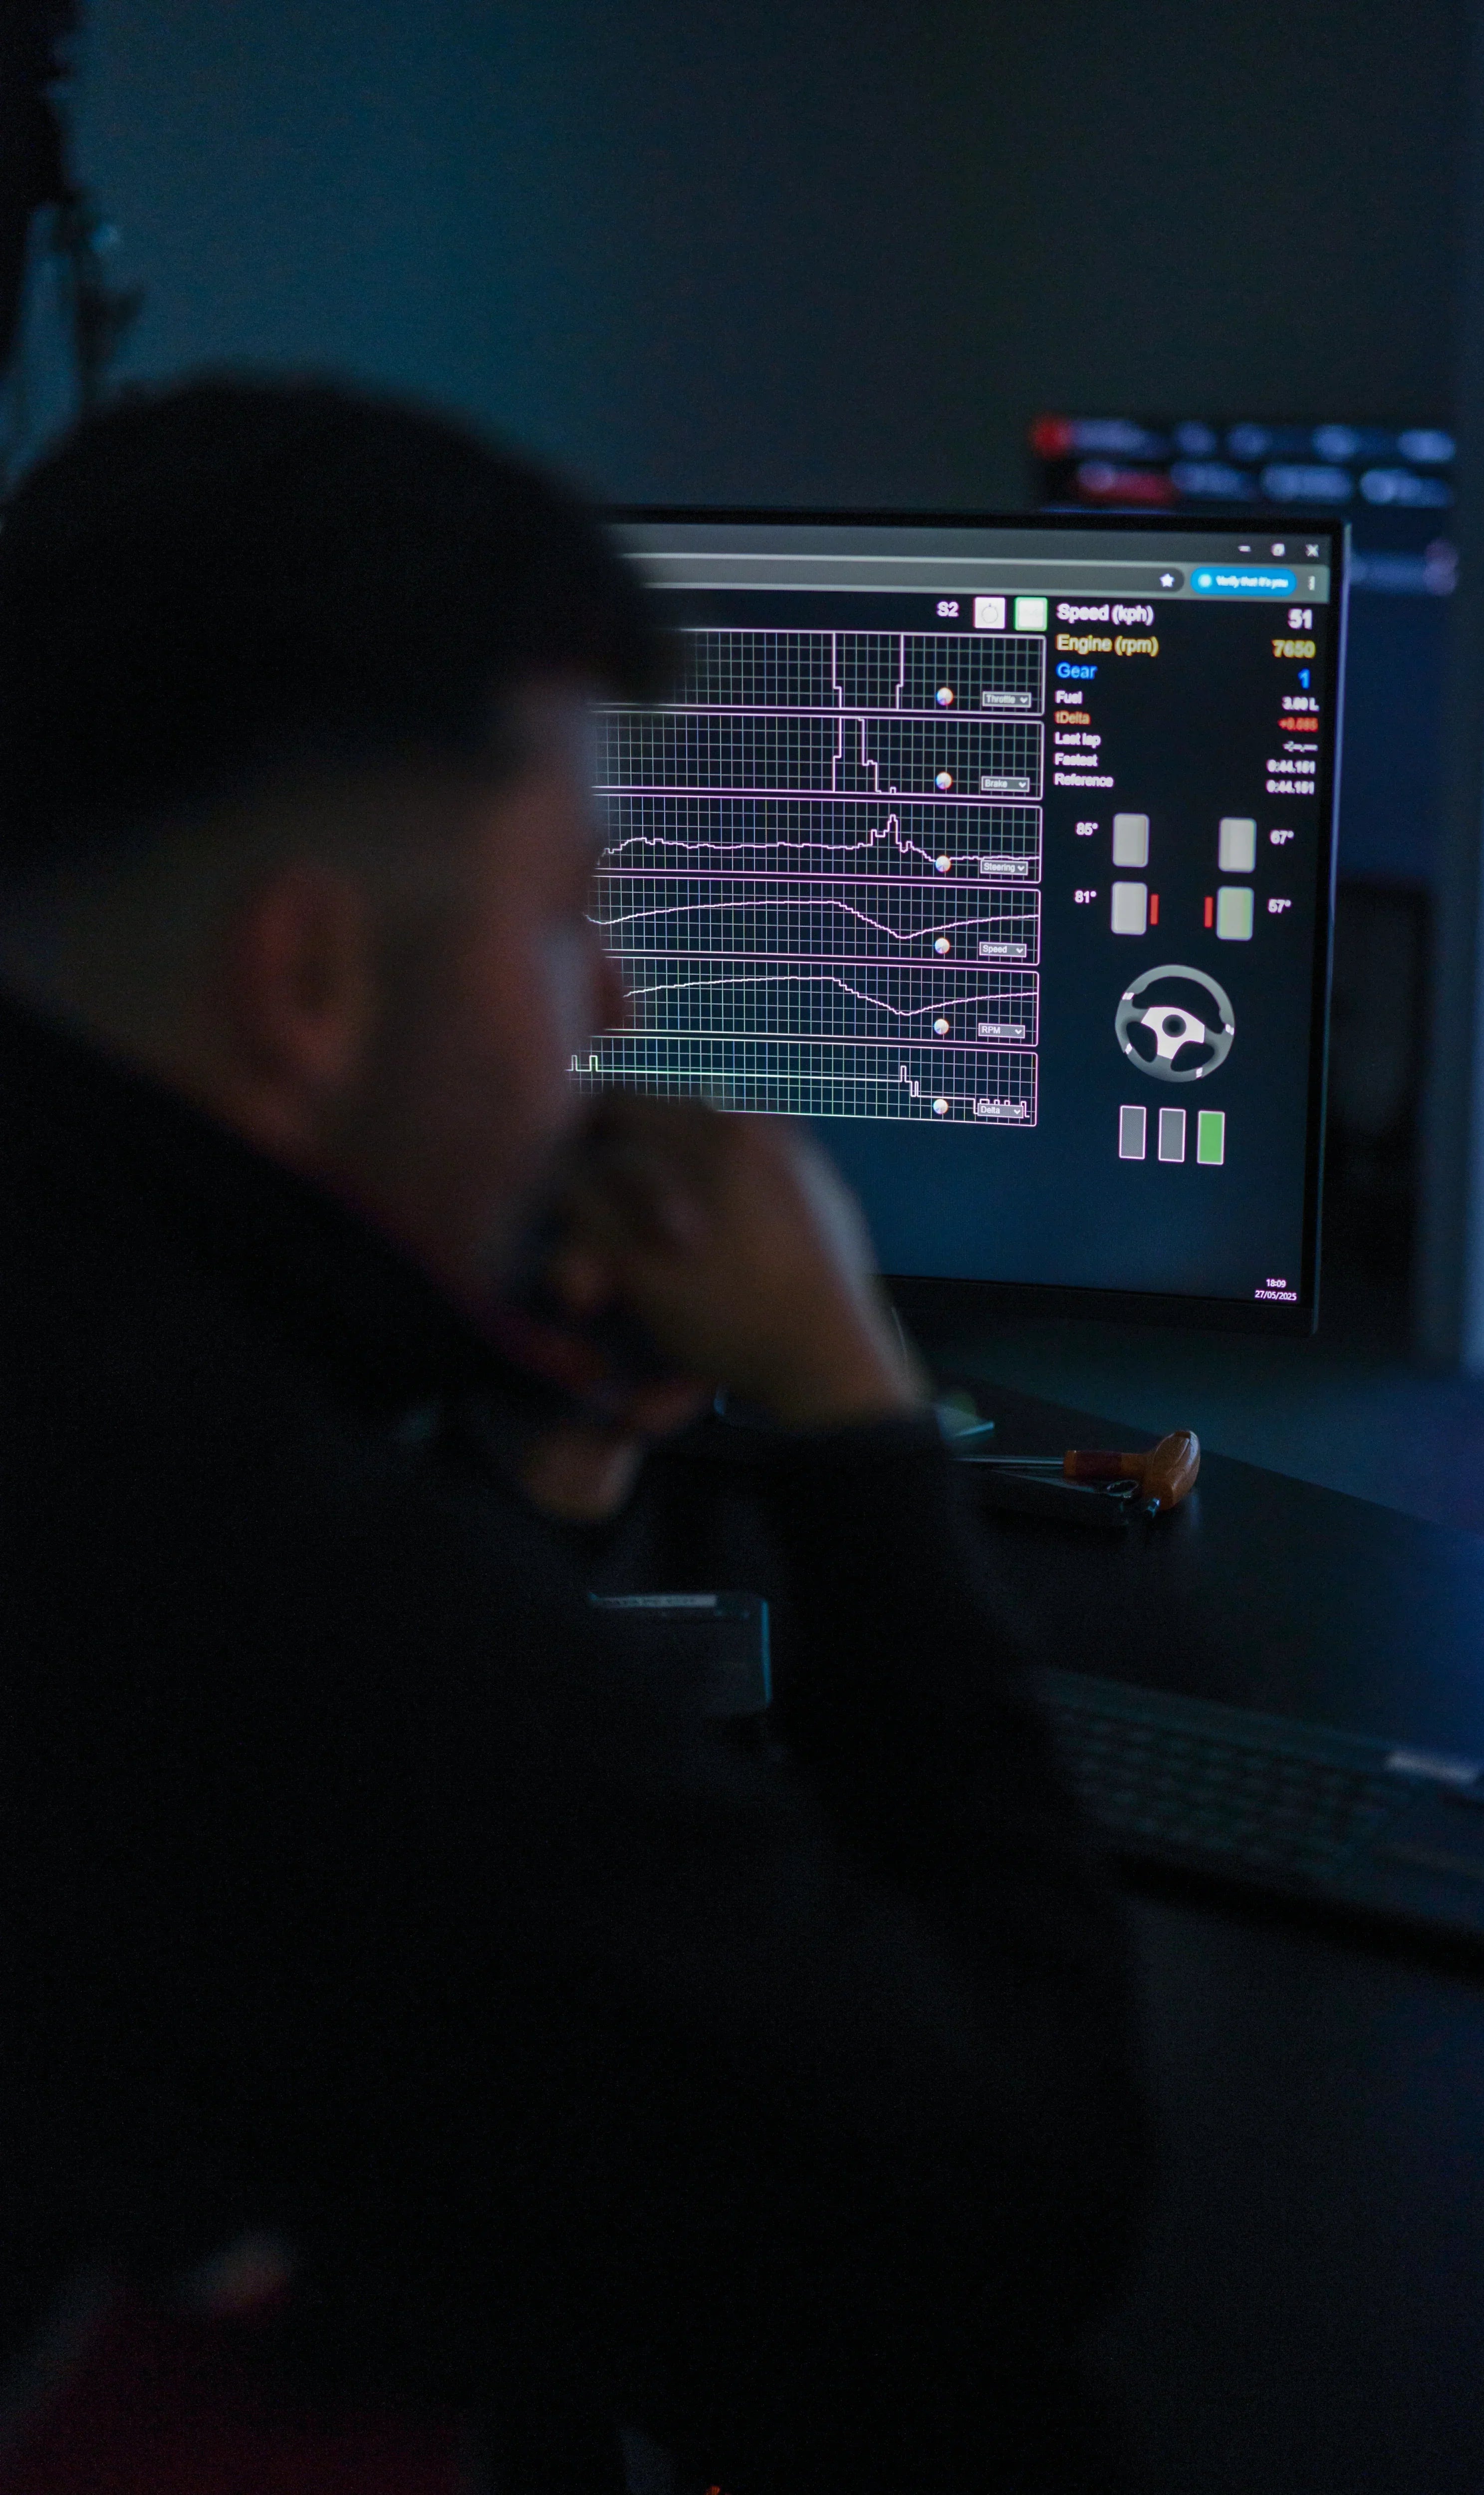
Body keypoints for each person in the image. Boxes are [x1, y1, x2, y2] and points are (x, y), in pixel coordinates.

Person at [0, 378, 1145, 2494]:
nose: (609, 995)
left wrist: (531, 1488)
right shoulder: (270, 1573)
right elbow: (1018, 2200)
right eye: (567, 909)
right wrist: (853, 1409)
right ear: (309, 980)